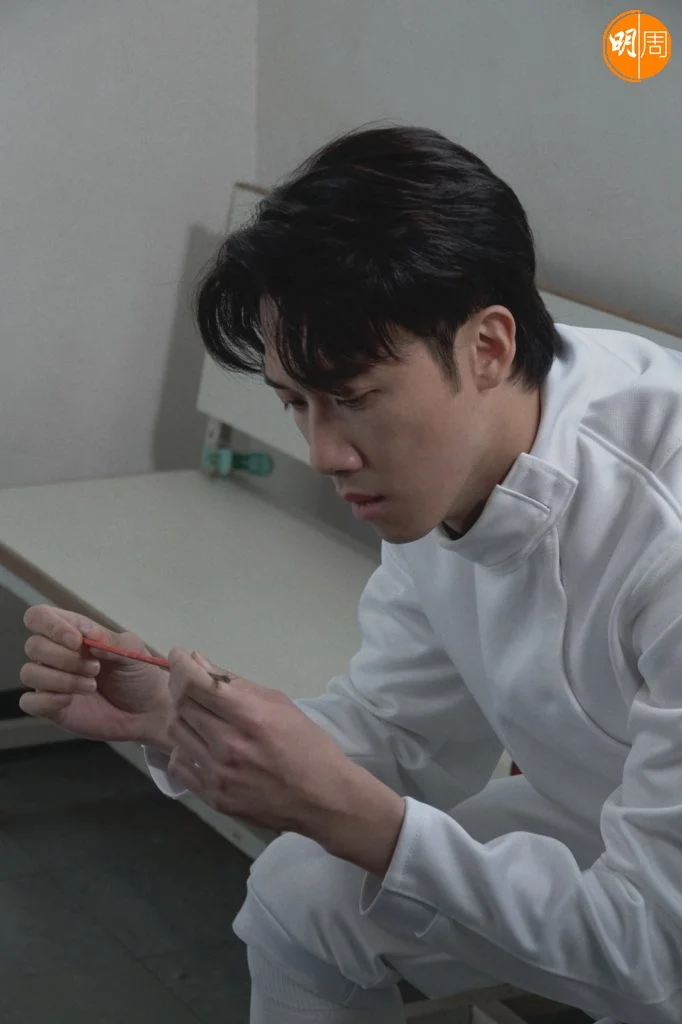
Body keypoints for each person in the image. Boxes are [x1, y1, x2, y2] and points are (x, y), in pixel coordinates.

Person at [20, 125, 681, 1024]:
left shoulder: (663, 518)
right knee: (303, 895)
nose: (325, 452)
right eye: (296, 402)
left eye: (354, 398)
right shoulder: (450, 454)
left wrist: (355, 817)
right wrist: (181, 720)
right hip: (609, 814)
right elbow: (404, 735)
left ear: (489, 347)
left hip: (659, 912)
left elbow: (655, 956)